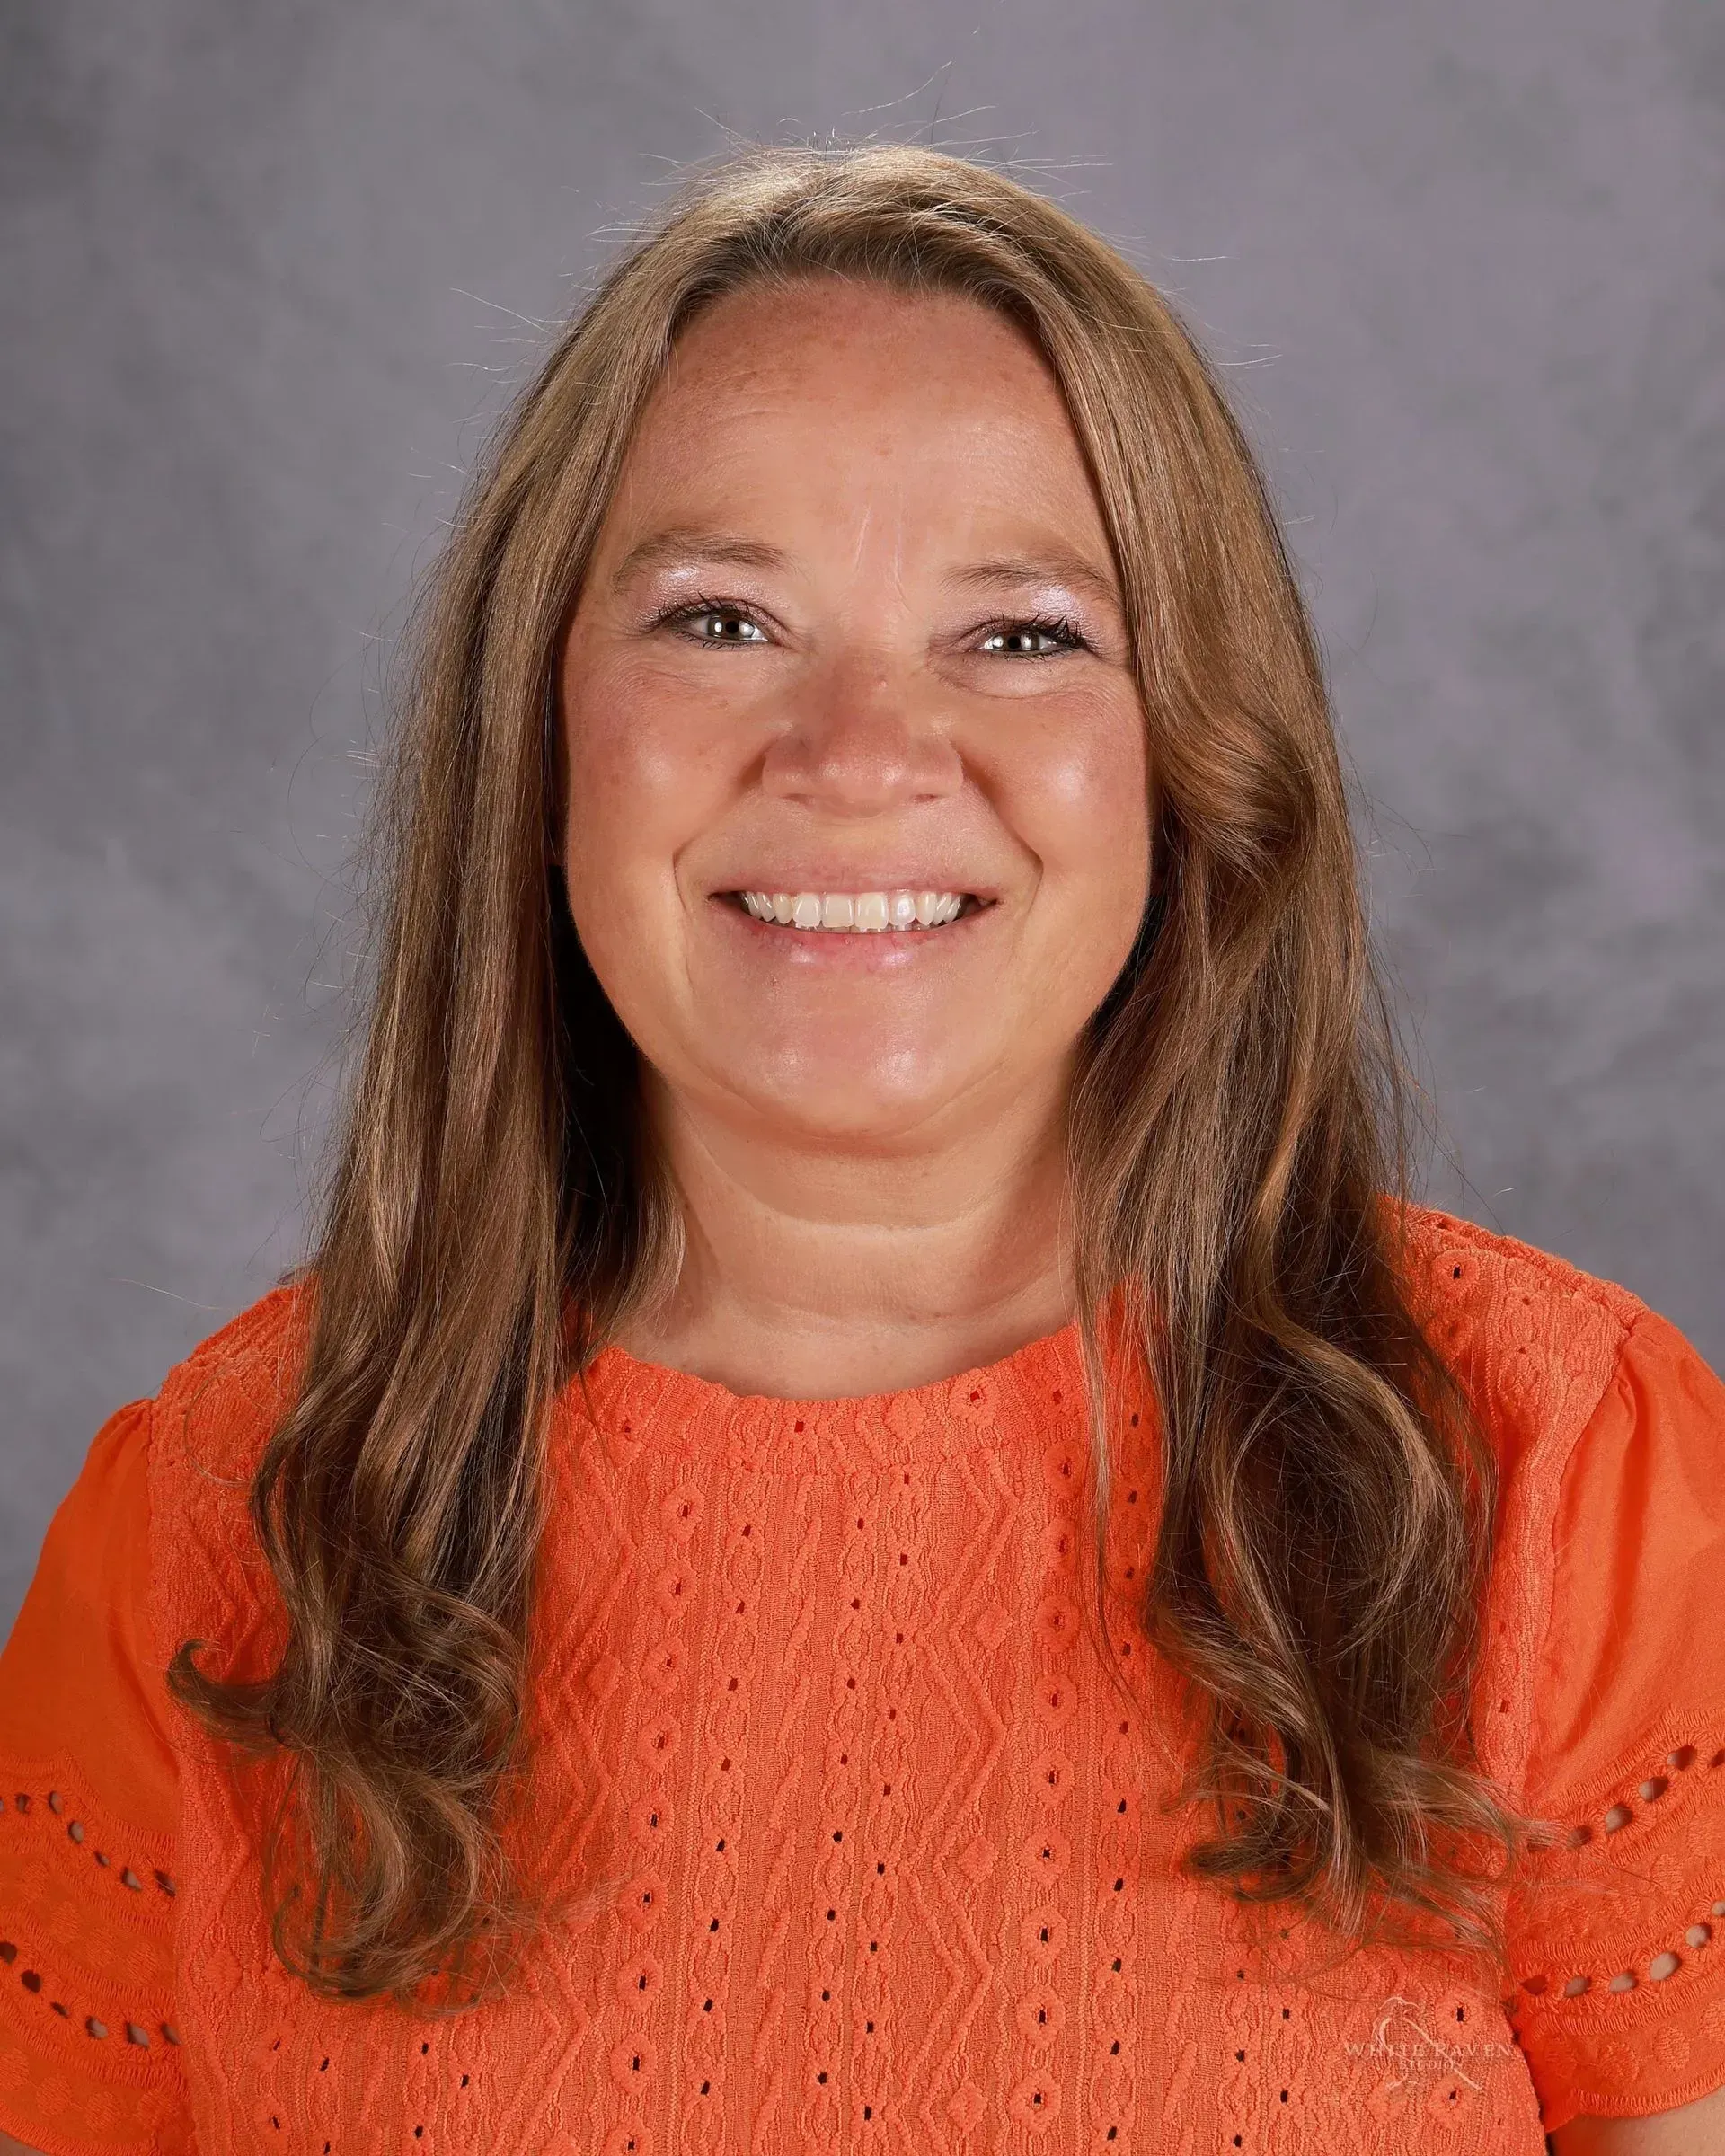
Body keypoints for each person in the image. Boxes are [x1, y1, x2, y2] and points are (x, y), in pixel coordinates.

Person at [0, 143, 1720, 2156]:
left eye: (1020, 635)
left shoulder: (1551, 1469)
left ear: (1194, 757)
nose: (861, 755)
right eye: (722, 620)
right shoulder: (220, 1519)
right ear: (542, 732)